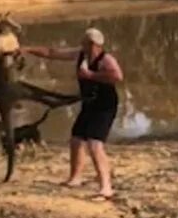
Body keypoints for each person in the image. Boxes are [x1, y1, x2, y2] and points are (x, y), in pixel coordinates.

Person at [22, 28, 123, 199]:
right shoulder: (80, 54)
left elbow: (117, 76)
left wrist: (90, 75)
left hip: (105, 106)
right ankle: (75, 178)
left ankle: (106, 187)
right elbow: (51, 52)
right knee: (76, 140)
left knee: (95, 144)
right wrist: (27, 50)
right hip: (89, 103)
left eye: (84, 41)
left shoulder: (105, 59)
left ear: (93, 44)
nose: (81, 44)